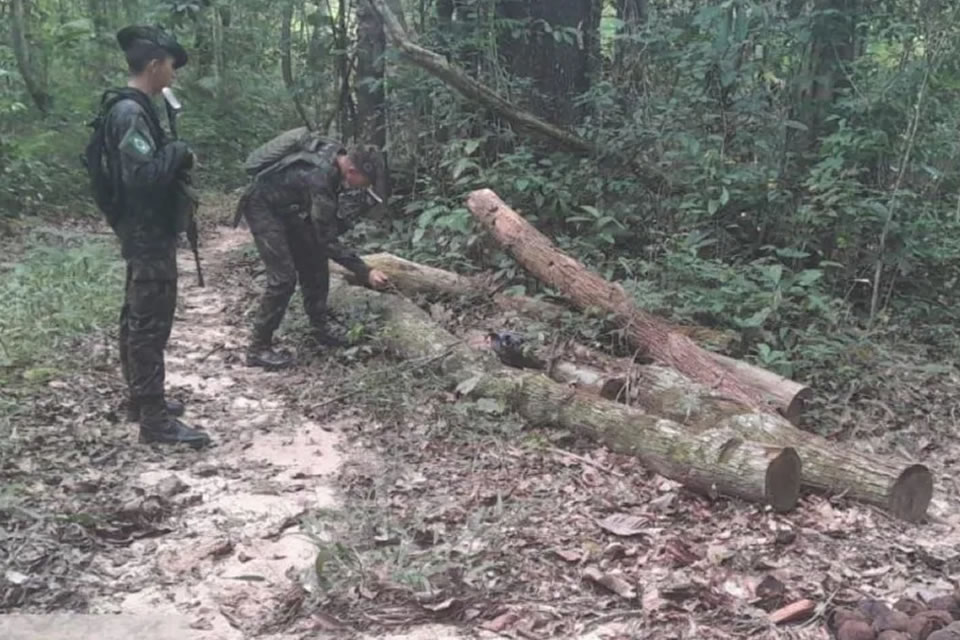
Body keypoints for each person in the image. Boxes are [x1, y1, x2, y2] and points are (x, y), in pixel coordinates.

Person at [97, 25, 212, 448]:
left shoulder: (137, 108)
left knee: (138, 317)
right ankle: (154, 421)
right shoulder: (129, 113)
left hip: (146, 230)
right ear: (153, 65)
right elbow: (142, 177)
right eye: (170, 67)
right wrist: (178, 153)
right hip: (146, 232)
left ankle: (142, 400)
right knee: (149, 323)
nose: (174, 76)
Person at [236, 136, 391, 369]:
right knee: (283, 279)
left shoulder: (334, 159)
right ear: (351, 170)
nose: (364, 187)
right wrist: (364, 271)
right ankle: (258, 348)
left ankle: (320, 328)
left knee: (315, 260)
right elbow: (326, 238)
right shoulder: (320, 177)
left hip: (289, 208)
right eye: (364, 181)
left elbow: (320, 237)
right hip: (262, 207)